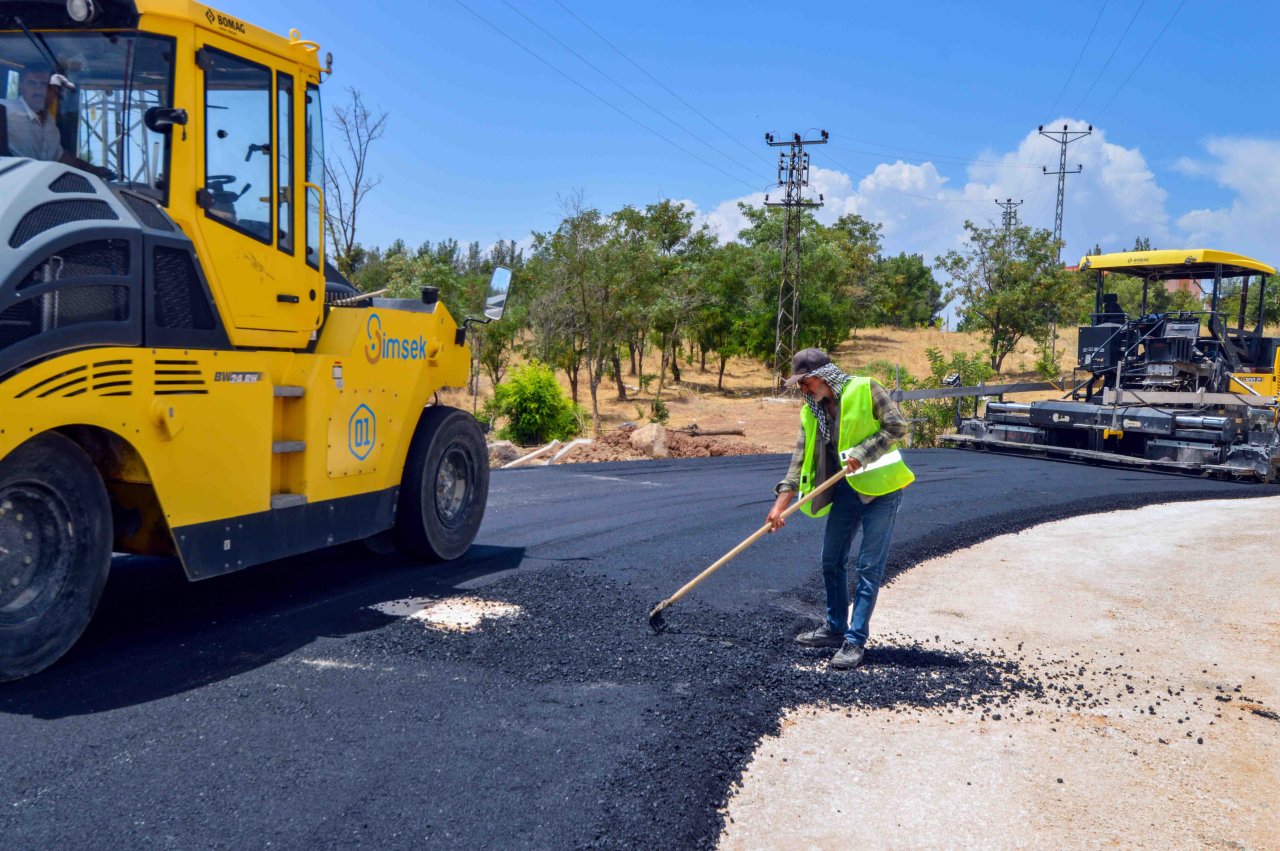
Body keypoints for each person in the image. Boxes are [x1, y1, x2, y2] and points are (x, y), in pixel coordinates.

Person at [765, 348, 914, 670]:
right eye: (800, 385)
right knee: (831, 561)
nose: (803, 390)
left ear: (824, 376)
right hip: (846, 492)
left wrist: (863, 451)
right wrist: (779, 507)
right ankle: (835, 628)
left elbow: (897, 427)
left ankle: (855, 640)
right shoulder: (811, 412)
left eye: (806, 382)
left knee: (867, 568)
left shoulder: (866, 388)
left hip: (883, 492)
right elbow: (797, 463)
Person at [2, 64, 113, 178]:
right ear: (22, 86)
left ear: (56, 92)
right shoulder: (6, 111)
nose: (38, 90)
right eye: (32, 84)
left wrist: (93, 170)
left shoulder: (50, 126)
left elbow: (61, 158)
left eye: (45, 85)